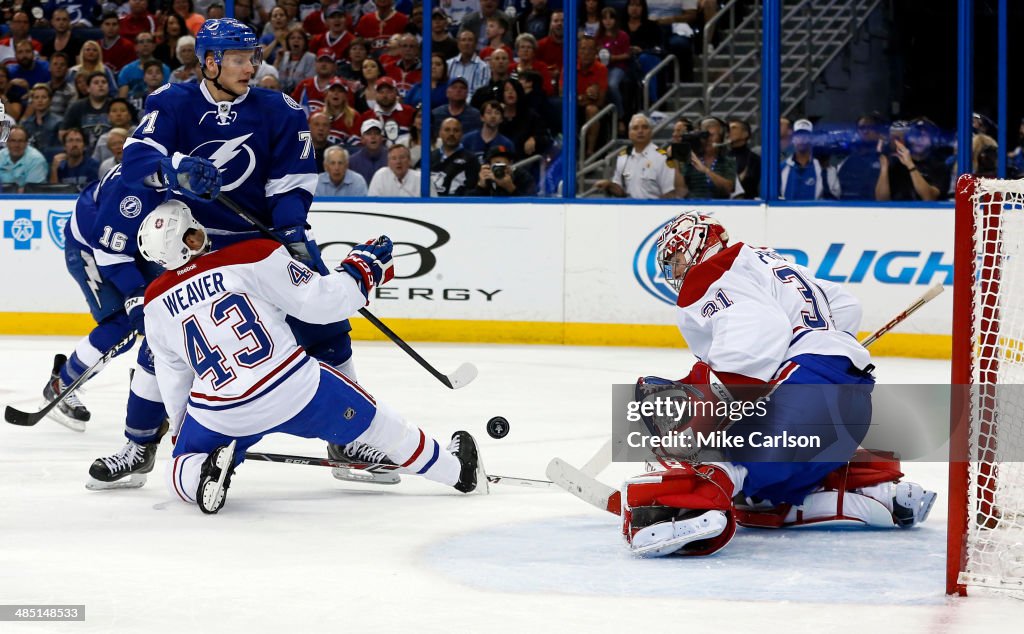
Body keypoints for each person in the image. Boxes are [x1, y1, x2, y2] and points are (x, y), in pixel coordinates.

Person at [119, 18, 374, 481]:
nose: (251, 67)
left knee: (328, 325)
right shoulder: (170, 103)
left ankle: (350, 440)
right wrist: (174, 170)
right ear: (209, 62)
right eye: (239, 59)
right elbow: (136, 160)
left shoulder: (279, 108)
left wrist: (292, 229)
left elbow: (291, 183)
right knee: (160, 345)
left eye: (254, 57)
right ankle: (138, 446)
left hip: (260, 244)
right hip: (190, 251)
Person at [612, 211, 937, 557]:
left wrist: (700, 424)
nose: (675, 272)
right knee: (758, 499)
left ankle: (698, 502)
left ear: (699, 247)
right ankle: (872, 494)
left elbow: (757, 334)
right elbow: (845, 306)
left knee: (720, 447)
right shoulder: (766, 260)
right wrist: (821, 345)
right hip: (854, 402)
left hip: (804, 395)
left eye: (677, 260)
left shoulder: (711, 273)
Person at [136, 202, 484, 513]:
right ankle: (458, 472)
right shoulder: (251, 255)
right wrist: (362, 272)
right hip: (293, 387)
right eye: (195, 229)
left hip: (221, 409)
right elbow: (320, 304)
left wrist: (182, 430)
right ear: (191, 240)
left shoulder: (153, 303)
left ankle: (200, 475)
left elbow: (174, 373)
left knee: (179, 466)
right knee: (382, 426)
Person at [39, 164, 168, 492]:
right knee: (121, 323)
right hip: (91, 248)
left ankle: (152, 406)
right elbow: (108, 246)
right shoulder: (137, 188)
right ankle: (62, 383)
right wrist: (133, 294)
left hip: (130, 244)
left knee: (155, 318)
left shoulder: (170, 166)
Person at [595, 113, 679, 199]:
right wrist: (609, 184)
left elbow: (669, 193)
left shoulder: (662, 158)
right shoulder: (623, 157)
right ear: (629, 133)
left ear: (651, 132)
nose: (640, 131)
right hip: (629, 208)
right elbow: (621, 191)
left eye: (645, 127)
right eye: (635, 128)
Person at [875, 118, 948, 202]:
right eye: (916, 135)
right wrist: (884, 167)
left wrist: (910, 165)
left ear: (933, 140)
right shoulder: (896, 166)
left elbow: (929, 197)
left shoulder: (940, 167)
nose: (919, 139)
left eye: (924, 135)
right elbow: (881, 200)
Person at [779, 118, 838, 200]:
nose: (802, 139)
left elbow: (834, 200)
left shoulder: (824, 169)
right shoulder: (781, 169)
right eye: (798, 135)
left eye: (805, 135)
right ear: (793, 138)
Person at [430, 117, 480, 196]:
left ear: (461, 134)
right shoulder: (429, 157)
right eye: (447, 130)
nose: (451, 134)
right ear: (440, 133)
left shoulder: (471, 160)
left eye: (456, 130)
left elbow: (473, 189)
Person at [468, 143, 535, 196]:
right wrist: (480, 187)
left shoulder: (523, 177)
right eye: (496, 165)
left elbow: (532, 204)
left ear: (511, 164)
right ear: (488, 165)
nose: (500, 170)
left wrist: (511, 188)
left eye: (503, 166)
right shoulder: (482, 176)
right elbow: (465, 204)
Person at [0, 124, 47, 191]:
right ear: (7, 142)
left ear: (26, 143)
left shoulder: (37, 160)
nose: (16, 145)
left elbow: (31, 191)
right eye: (13, 141)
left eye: (21, 141)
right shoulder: (1, 156)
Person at [446, 29, 490, 97]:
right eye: (463, 40)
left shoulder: (484, 67)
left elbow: (481, 93)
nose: (467, 43)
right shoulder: (448, 64)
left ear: (475, 44)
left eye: (470, 40)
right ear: (458, 44)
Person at [727, 117, 760, 199]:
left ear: (745, 134)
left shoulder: (753, 159)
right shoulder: (722, 156)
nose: (729, 131)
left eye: (734, 128)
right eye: (728, 128)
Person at [348, 117, 389, 183]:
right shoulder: (352, 162)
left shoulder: (391, 157)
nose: (373, 137)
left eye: (376, 133)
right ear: (362, 139)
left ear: (382, 138)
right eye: (368, 134)